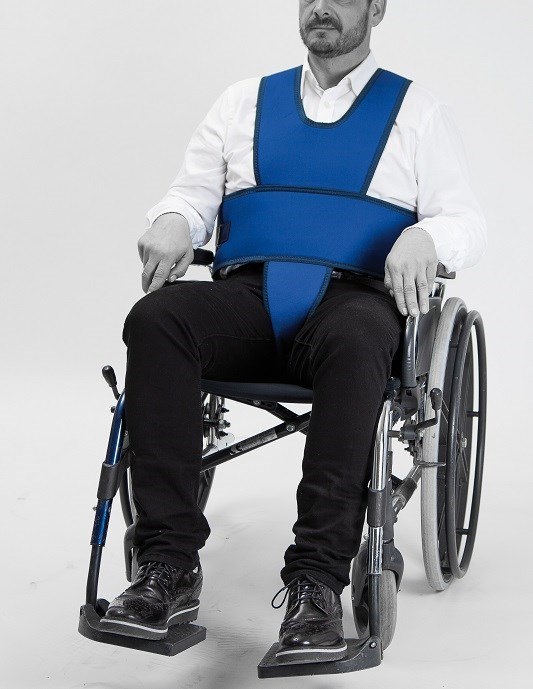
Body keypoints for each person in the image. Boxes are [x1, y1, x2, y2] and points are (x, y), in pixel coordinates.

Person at [100, 0, 487, 663]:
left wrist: (425, 236)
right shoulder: (243, 101)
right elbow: (193, 194)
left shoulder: (416, 112)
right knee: (157, 320)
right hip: (249, 297)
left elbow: (466, 220)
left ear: (376, 7)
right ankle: (166, 567)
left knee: (359, 338)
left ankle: (316, 582)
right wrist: (172, 218)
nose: (321, 7)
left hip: (352, 302)